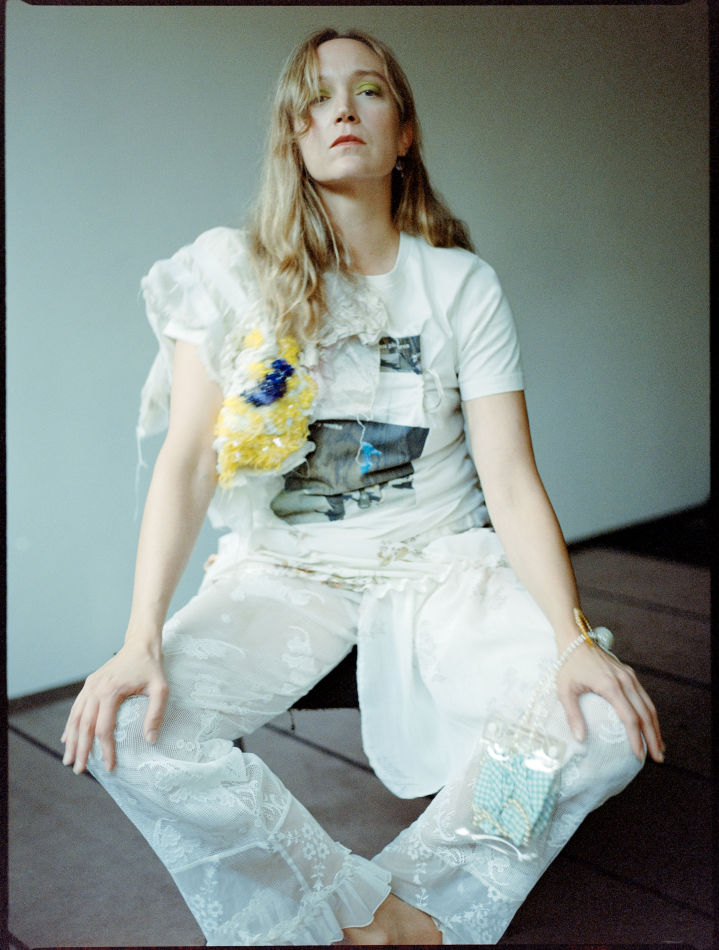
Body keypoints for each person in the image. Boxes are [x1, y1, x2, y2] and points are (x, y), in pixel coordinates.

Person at [61, 27, 664, 946]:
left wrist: (571, 637)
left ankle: (424, 904)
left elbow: (509, 478)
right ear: (293, 135)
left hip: (440, 569)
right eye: (316, 96)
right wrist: (138, 638)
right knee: (130, 726)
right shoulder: (226, 274)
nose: (341, 108)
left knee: (602, 725)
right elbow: (187, 461)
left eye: (368, 90)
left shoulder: (459, 285)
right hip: (283, 574)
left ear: (404, 131)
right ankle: (369, 916)